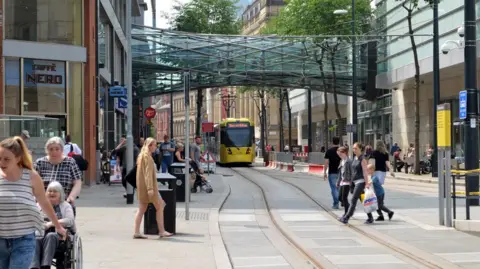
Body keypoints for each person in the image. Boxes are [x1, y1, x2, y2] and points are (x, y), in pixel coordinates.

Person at [0, 136, 66, 269]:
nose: (2, 162)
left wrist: (57, 225)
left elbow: (44, 202)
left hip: (24, 239)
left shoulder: (31, 176)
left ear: (18, 158)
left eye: (7, 159)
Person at [133, 138, 172, 239]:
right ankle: (162, 231)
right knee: (160, 206)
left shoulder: (141, 156)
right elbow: (148, 174)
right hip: (150, 188)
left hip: (143, 187)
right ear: (149, 146)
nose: (156, 147)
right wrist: (150, 188)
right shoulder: (148, 158)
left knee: (142, 209)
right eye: (154, 145)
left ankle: (136, 231)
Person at [31, 182, 75, 269]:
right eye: (49, 191)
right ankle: (34, 267)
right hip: (40, 233)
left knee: (51, 236)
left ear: (60, 194)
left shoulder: (66, 206)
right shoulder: (39, 205)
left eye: (55, 191)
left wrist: (51, 224)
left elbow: (70, 220)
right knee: (34, 239)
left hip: (59, 237)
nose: (51, 193)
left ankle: (45, 266)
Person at [34, 137, 82, 207]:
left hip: (65, 204)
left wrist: (71, 197)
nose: (54, 152)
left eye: (57, 149)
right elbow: (33, 183)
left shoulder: (70, 162)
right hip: (44, 204)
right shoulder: (40, 163)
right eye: (51, 149)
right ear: (47, 150)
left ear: (62, 150)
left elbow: (77, 182)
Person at [339, 142, 370, 225]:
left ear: (361, 149)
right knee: (363, 200)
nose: (354, 150)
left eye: (356, 148)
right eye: (353, 148)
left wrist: (367, 183)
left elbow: (365, 172)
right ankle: (370, 217)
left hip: (361, 182)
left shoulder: (362, 159)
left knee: (353, 200)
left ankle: (346, 217)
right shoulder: (355, 158)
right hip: (354, 182)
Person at [324, 137, 341, 209]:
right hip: (340, 172)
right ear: (339, 142)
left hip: (332, 172)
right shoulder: (342, 151)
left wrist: (324, 172)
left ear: (332, 142)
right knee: (338, 188)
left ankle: (336, 204)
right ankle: (339, 201)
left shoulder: (329, 151)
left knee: (334, 188)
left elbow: (326, 163)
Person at [336, 146, 353, 218]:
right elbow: (340, 172)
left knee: (344, 198)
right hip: (342, 182)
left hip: (347, 182)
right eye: (338, 155)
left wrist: (352, 183)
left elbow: (352, 173)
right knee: (340, 197)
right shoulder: (342, 161)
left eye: (340, 154)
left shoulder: (349, 161)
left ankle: (346, 213)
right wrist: (338, 181)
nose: (339, 156)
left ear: (345, 153)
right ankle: (349, 207)